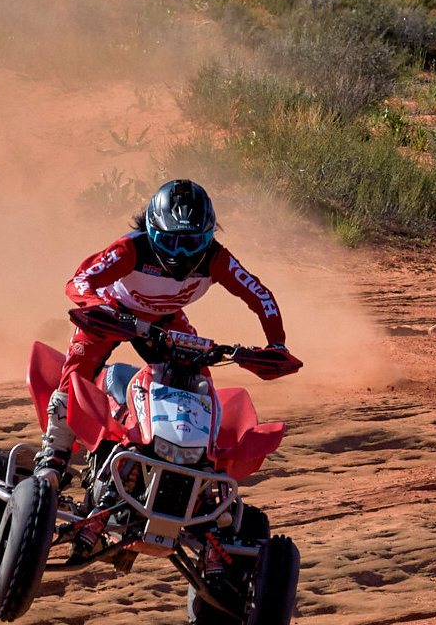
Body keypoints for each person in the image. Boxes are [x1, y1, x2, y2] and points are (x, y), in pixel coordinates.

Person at [34, 179, 288, 485]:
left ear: (208, 238)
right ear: (153, 231)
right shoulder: (130, 249)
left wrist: (277, 344)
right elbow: (79, 281)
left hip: (165, 319)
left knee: (199, 376)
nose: (181, 254)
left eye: (192, 243)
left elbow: (259, 295)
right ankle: (54, 456)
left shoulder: (217, 258)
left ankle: (201, 472)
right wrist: (97, 305)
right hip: (113, 311)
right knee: (77, 369)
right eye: (171, 242)